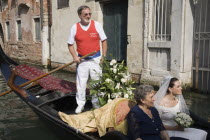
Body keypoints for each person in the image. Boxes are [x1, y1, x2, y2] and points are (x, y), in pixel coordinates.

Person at [67, 5, 107, 113]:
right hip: (82, 60)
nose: (88, 16)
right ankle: (80, 105)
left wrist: (103, 55)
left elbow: (104, 40)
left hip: (96, 59)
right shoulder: (75, 27)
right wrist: (75, 56)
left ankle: (96, 104)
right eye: (85, 14)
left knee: (96, 83)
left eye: (89, 14)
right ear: (80, 15)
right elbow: (70, 44)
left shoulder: (96, 25)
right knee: (81, 84)